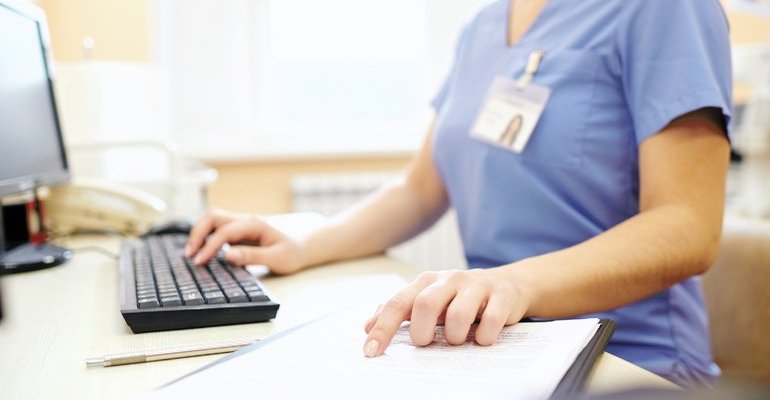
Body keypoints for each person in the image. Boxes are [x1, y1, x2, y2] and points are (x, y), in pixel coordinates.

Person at [185, 0, 732, 388]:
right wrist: (306, 242)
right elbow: (421, 188)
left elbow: (687, 224)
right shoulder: (483, 24)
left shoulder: (668, 8)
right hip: (493, 349)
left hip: (627, 360)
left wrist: (515, 283)